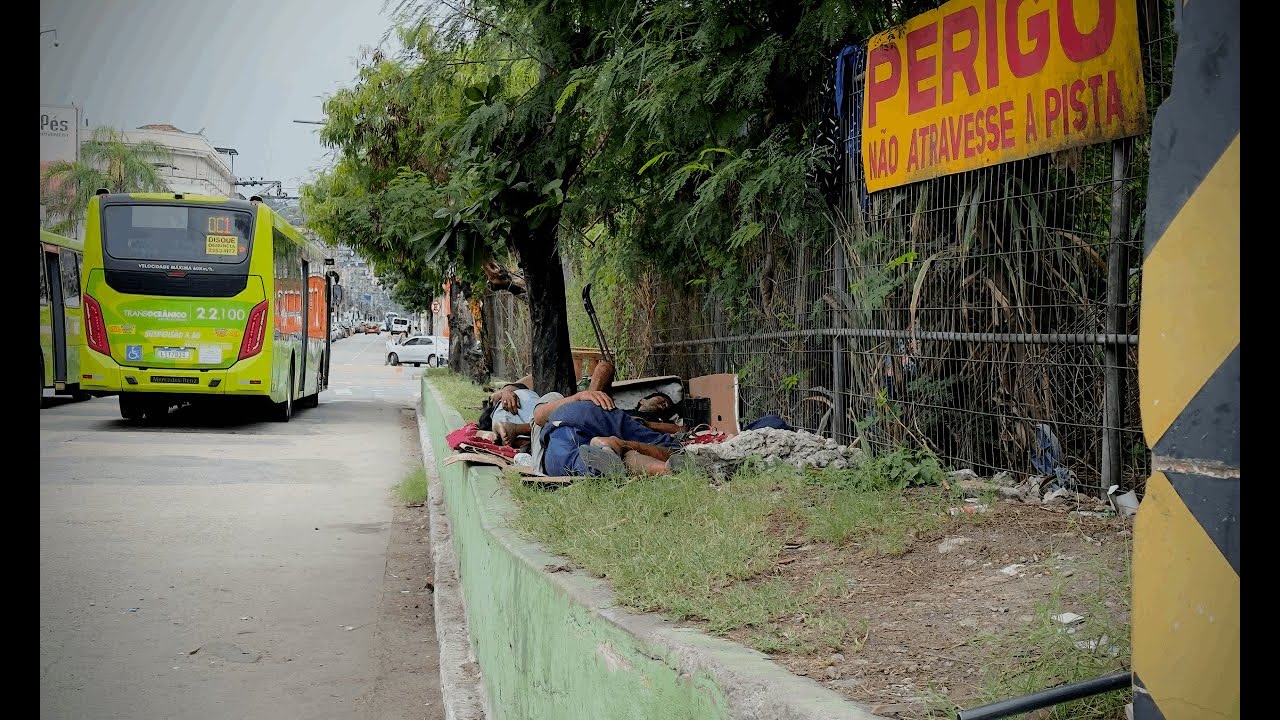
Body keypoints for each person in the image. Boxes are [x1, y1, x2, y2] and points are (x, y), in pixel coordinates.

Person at [529, 389, 703, 478]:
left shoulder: (654, 420)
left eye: (667, 405)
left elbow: (538, 416)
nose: (664, 405)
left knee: (573, 462)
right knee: (578, 463)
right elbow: (538, 415)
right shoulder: (558, 400)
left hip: (571, 424)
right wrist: (580, 396)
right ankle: (619, 447)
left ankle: (615, 447)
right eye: (661, 400)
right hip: (596, 413)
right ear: (642, 400)